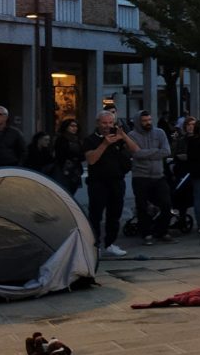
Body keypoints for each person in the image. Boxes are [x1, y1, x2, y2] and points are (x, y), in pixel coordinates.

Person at [83, 110, 136, 257]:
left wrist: (124, 136)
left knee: (114, 215)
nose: (108, 126)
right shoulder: (90, 140)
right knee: (96, 215)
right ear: (98, 123)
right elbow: (91, 160)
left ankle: (110, 243)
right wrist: (105, 144)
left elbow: (135, 150)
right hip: (98, 183)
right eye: (104, 123)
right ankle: (95, 246)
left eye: (110, 123)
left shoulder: (117, 138)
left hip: (117, 181)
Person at [129, 112, 173, 243]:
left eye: (149, 120)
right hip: (140, 176)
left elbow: (166, 151)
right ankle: (146, 233)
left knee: (166, 204)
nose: (148, 123)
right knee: (142, 206)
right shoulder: (132, 135)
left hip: (158, 176)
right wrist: (155, 151)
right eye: (144, 121)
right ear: (138, 122)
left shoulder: (160, 133)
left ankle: (162, 231)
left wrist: (145, 153)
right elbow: (136, 154)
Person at [51, 117, 85, 197]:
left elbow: (82, 154)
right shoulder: (61, 139)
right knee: (65, 191)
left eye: (76, 126)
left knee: (73, 190)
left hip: (76, 169)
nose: (74, 128)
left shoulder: (78, 140)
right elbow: (61, 154)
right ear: (66, 127)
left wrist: (78, 157)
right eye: (72, 126)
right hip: (63, 169)